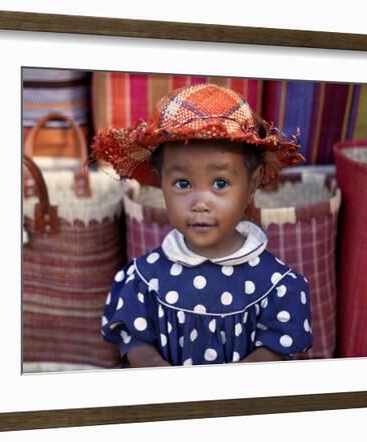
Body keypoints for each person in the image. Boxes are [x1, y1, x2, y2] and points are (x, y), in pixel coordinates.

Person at [91, 83, 313, 367]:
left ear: (253, 183)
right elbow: (134, 341)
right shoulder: (143, 280)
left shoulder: (277, 286)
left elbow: (275, 350)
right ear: (161, 182)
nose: (200, 202)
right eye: (182, 183)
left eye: (220, 183)